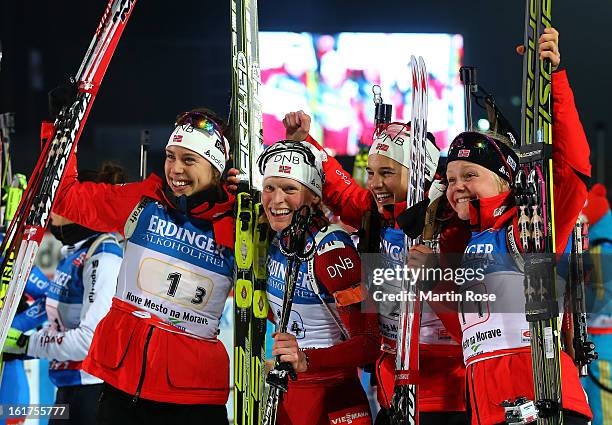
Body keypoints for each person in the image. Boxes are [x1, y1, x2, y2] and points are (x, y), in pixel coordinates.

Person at [50, 109, 235, 425]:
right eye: (170, 156)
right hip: (123, 389)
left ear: (216, 168)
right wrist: (63, 126)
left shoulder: (240, 222)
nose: (175, 169)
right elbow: (64, 198)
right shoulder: (144, 202)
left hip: (193, 400)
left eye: (189, 160)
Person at [282, 112, 468, 425]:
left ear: (418, 174)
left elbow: (475, 321)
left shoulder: (454, 226)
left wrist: (434, 278)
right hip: (393, 391)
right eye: (370, 172)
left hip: (445, 400)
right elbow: (341, 192)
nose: (375, 183)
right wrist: (307, 142)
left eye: (387, 173)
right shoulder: (376, 213)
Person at [259, 140, 380, 425]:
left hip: (333, 401)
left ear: (314, 196)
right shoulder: (277, 239)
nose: (276, 200)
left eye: (290, 189)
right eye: (269, 187)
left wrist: (307, 360)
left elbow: (369, 343)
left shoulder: (331, 250)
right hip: (288, 397)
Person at [3, 164, 125, 425]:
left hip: (92, 391)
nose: (52, 214)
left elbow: (91, 342)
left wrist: (26, 344)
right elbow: (49, 303)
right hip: (68, 387)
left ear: (81, 209)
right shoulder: (75, 253)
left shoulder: (103, 255)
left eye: (60, 204)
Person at [581, 183, 612, 425]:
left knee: (601, 413)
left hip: (601, 347)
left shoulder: (602, 244)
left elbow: (601, 297)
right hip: (596, 344)